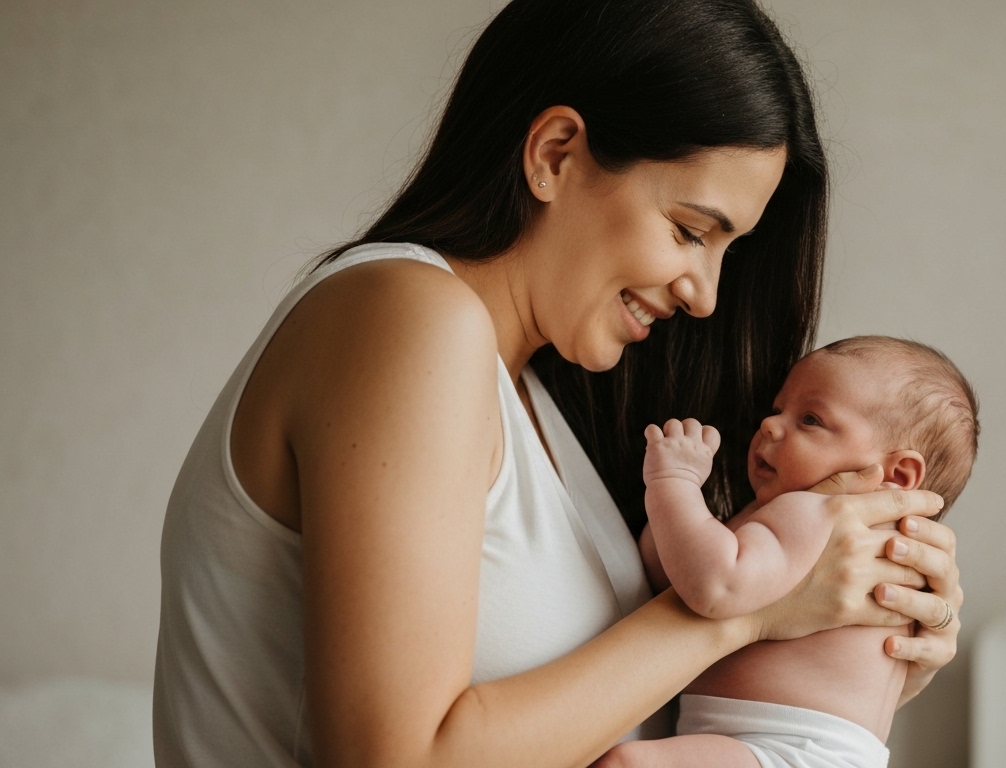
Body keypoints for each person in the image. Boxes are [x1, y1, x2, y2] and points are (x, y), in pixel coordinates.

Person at [151, 2, 964, 766]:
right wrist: (756, 605)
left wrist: (861, 642)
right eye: (688, 231)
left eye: (727, 251)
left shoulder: (536, 397)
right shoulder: (405, 313)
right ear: (555, 155)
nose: (705, 294)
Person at [598, 336, 979, 768]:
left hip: (788, 750)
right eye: (779, 410)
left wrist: (674, 484)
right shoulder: (810, 524)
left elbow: (715, 585)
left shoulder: (818, 512)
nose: (770, 426)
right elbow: (668, 574)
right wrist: (676, 522)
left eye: (811, 419)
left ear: (897, 474)